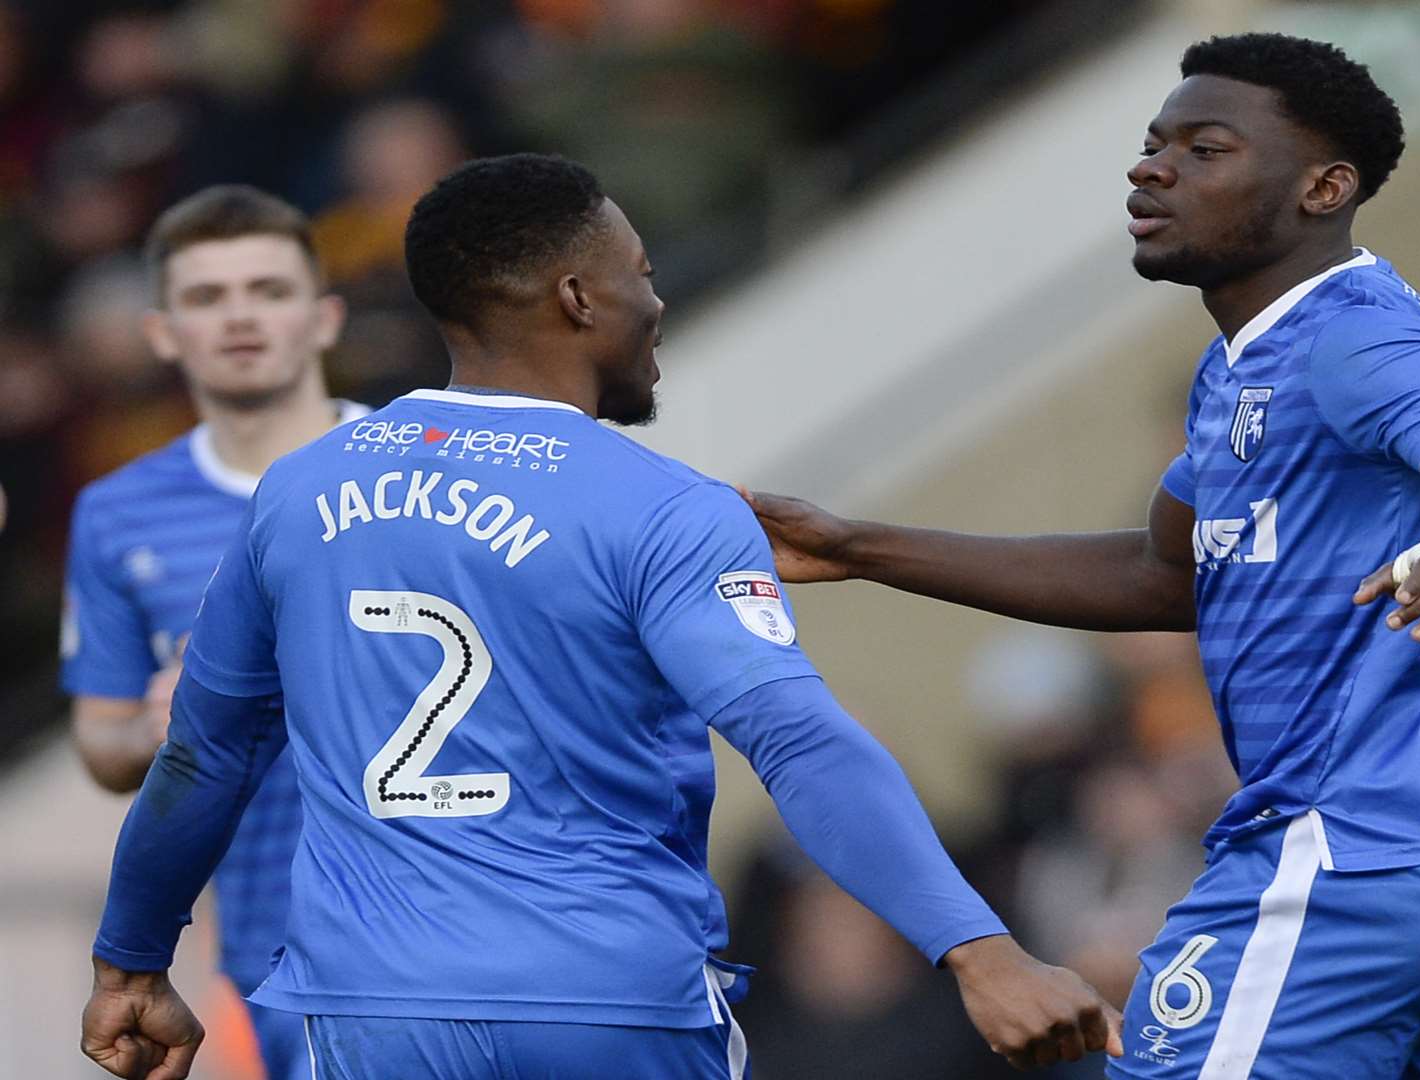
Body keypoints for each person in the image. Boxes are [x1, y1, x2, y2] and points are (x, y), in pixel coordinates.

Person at [79, 154, 1118, 1080]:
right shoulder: (664, 507)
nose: (654, 302)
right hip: (609, 1004)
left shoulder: (298, 497)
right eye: (643, 274)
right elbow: (795, 741)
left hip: (375, 1012)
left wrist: (131, 962)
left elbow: (201, 760)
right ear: (579, 296)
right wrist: (981, 951)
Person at [747, 33, 1420, 1079]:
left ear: (1324, 186)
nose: (1153, 168)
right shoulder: (1245, 366)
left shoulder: (1355, 339)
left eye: (1205, 149)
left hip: (1360, 840)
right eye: (1152, 144)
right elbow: (1159, 575)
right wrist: (856, 546)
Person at [63, 184, 367, 1080]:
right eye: (206, 297)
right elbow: (101, 744)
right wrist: (170, 723)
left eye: (268, 291)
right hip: (276, 949)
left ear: (324, 317)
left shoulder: (418, 467)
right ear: (163, 332)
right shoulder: (119, 513)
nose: (240, 316)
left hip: (462, 911)